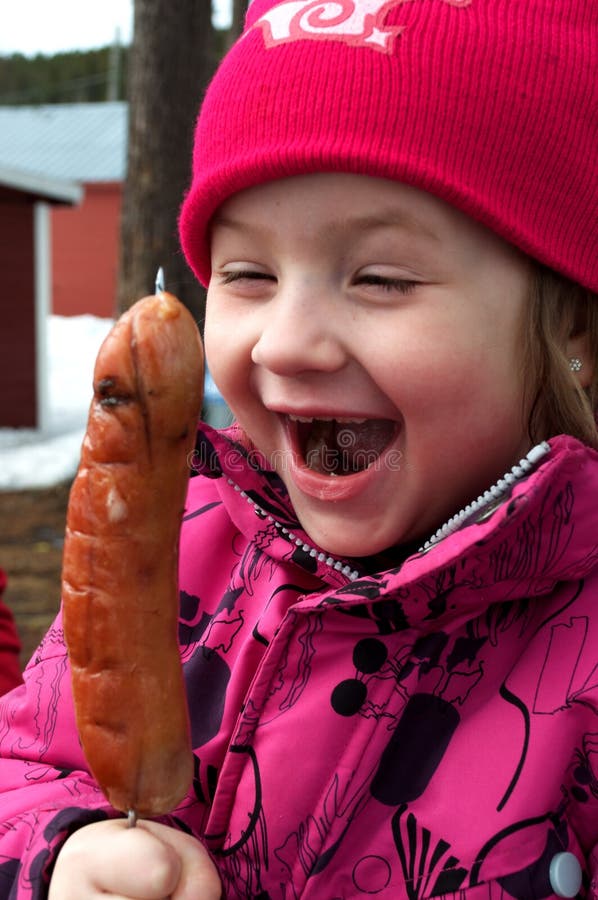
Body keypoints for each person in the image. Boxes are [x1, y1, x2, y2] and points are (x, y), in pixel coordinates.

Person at [0, 0, 596, 896]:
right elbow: (23, 762)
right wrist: (62, 854)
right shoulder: (183, 546)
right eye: (247, 275)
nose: (283, 342)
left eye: (381, 278)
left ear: (574, 326)